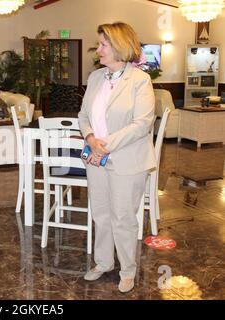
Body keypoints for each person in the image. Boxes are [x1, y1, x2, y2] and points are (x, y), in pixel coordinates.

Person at [78, 22, 156, 293]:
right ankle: (103, 262)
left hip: (127, 159)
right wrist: (90, 138)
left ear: (120, 46)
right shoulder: (96, 77)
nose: (98, 49)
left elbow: (142, 124)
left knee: (122, 216)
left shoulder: (140, 80)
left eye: (103, 44)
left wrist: (106, 144)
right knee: (100, 213)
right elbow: (83, 116)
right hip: (96, 157)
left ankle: (128, 270)